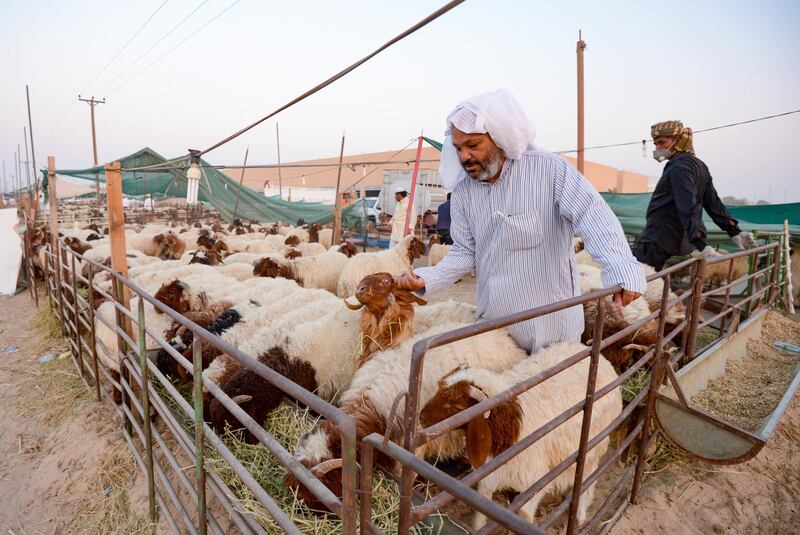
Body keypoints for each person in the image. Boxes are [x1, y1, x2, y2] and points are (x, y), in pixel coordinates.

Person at [396, 89, 646, 354]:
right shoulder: (463, 192)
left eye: (473, 145)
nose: (464, 156)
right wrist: (426, 278)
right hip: (495, 329)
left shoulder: (549, 170)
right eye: (458, 148)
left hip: (552, 329)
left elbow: (593, 217)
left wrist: (620, 268)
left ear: (500, 139)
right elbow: (465, 252)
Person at [633, 121, 755, 270]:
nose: (657, 148)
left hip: (658, 239)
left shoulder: (678, 168)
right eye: (655, 144)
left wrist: (701, 244)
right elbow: (713, 203)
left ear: (679, 140)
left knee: (634, 279)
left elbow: (687, 205)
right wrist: (734, 231)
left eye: (662, 142)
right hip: (681, 242)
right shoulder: (699, 166)